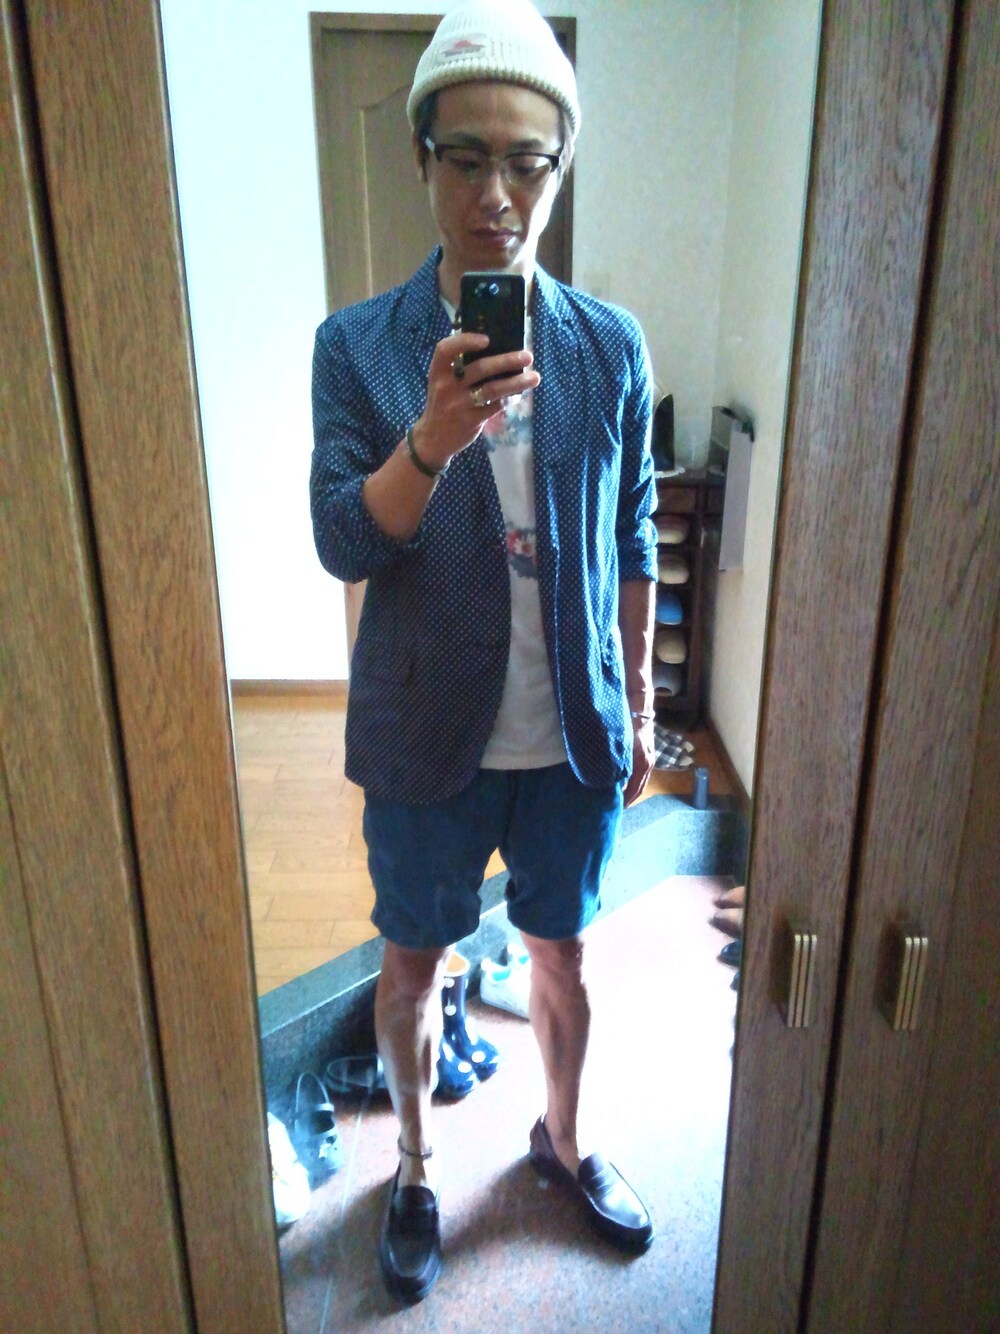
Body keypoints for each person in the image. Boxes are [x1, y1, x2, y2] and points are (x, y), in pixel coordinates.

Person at [310, 0, 656, 1302]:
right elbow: (346, 538)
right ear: (422, 159)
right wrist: (432, 440)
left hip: (569, 732)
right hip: (422, 734)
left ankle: (562, 1138)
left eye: (527, 160)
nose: (497, 194)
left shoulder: (609, 346)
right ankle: (412, 1167)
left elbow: (633, 534)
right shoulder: (357, 348)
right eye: (466, 157)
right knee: (415, 961)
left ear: (560, 167)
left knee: (564, 955)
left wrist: (639, 701)